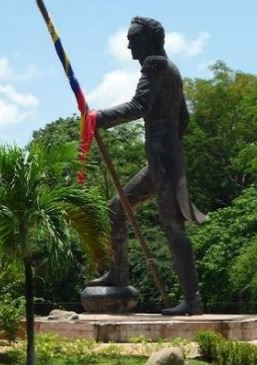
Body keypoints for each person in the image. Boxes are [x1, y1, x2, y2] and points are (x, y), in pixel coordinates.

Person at [85, 16, 204, 315]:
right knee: (116, 210)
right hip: (162, 159)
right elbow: (184, 119)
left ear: (150, 41)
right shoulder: (172, 69)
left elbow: (140, 106)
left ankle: (192, 300)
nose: (128, 45)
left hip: (164, 159)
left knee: (173, 228)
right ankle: (118, 275)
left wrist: (99, 118)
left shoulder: (155, 65)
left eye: (133, 38)